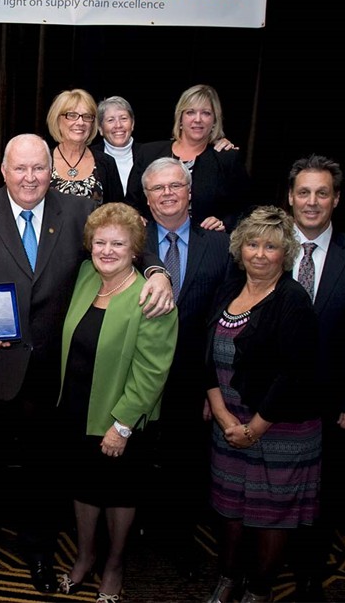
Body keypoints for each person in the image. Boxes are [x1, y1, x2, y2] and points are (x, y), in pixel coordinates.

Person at [0, 134, 174, 595]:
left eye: (39, 168)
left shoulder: (78, 212)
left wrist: (159, 271)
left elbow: (126, 244)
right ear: (3, 170)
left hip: (57, 375)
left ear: (52, 171)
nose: (30, 178)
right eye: (20, 168)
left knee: (44, 473)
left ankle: (40, 552)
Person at [55, 203, 178, 601]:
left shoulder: (150, 297)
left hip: (119, 417)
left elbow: (152, 372)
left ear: (134, 249)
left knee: (119, 494)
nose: (107, 250)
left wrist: (121, 425)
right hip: (76, 409)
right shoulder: (87, 277)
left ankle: (114, 566)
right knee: (82, 487)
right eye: (100, 242)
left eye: (118, 244)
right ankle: (85, 557)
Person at [203, 206, 321, 603]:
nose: (259, 253)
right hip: (229, 425)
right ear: (240, 247)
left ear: (284, 253)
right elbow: (206, 355)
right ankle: (228, 579)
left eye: (271, 246)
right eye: (252, 243)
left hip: (278, 429)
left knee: (272, 516)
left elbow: (294, 374)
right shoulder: (229, 287)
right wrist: (222, 416)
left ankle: (258, 590)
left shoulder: (292, 299)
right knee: (231, 509)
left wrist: (254, 428)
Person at [285, 155, 345, 600]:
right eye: (303, 192)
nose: (311, 201)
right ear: (290, 197)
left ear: (336, 199)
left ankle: (308, 572)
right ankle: (254, 567)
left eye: (322, 193)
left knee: (318, 495)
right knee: (260, 490)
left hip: (327, 401)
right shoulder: (261, 246)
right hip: (261, 398)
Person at [138, 158, 234, 578]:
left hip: (193, 375)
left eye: (176, 185)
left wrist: (211, 387)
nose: (168, 194)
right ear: (146, 197)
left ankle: (177, 539)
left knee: (185, 461)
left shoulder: (220, 244)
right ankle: (130, 533)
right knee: (134, 455)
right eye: (158, 188)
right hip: (137, 372)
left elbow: (223, 318)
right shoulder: (131, 239)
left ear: (189, 191)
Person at [126, 85, 250, 231]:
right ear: (180, 118)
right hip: (151, 245)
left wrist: (224, 223)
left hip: (205, 245)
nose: (198, 119)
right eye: (190, 112)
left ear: (214, 120)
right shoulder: (148, 153)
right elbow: (130, 203)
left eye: (206, 113)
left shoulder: (227, 159)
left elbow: (245, 209)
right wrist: (134, 217)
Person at [96, 96, 235, 205]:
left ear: (132, 124)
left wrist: (217, 141)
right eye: (110, 120)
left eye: (123, 118)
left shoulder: (149, 153)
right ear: (100, 129)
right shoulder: (90, 157)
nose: (118, 125)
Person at [46, 88, 119, 203]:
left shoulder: (106, 163)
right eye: (72, 115)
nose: (80, 122)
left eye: (87, 116)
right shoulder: (43, 161)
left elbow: (117, 211)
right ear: (57, 120)